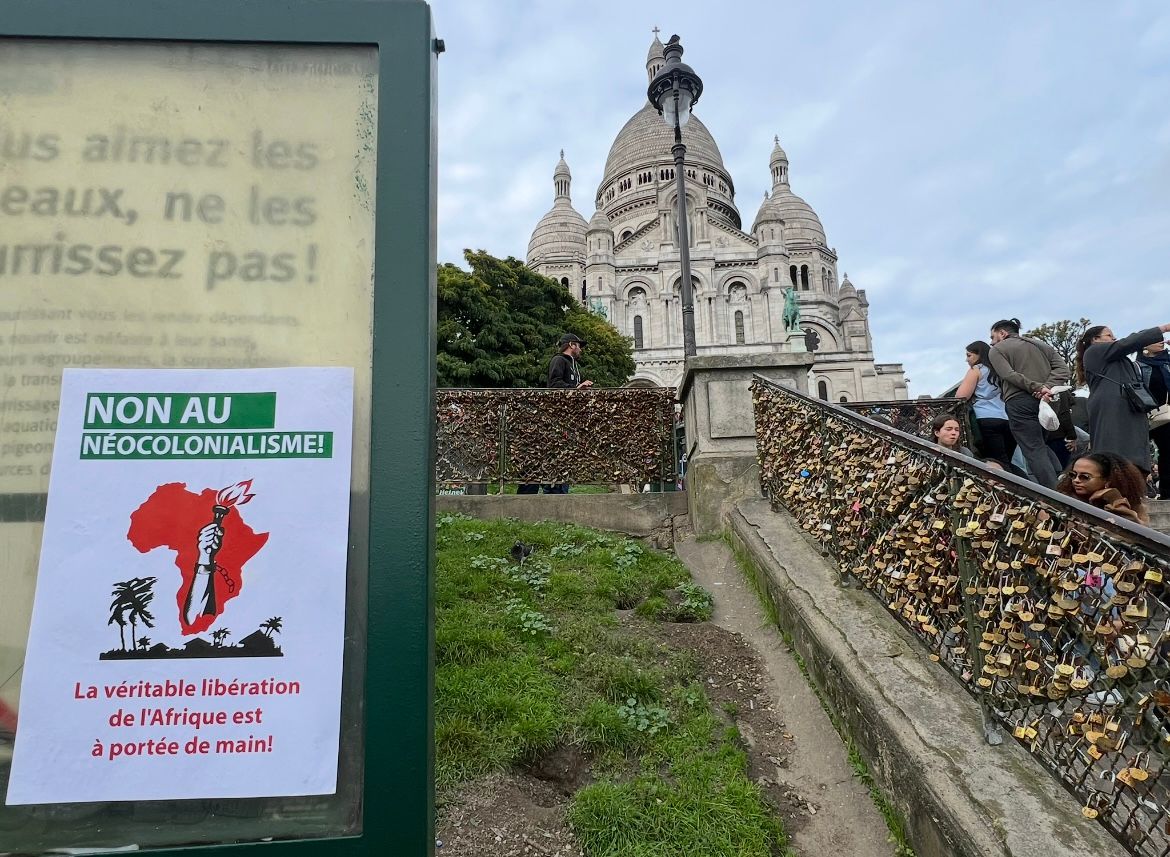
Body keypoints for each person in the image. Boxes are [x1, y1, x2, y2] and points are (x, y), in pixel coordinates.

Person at [1075, 322, 1170, 475]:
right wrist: (1163, 328)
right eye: (1109, 335)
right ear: (1095, 339)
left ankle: (1133, 481)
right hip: (1113, 409)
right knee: (1115, 449)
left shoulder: (1118, 359)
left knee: (1131, 449)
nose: (1114, 339)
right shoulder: (1094, 351)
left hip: (1127, 407)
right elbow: (1128, 343)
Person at [987, 318, 1070, 489]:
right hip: (1049, 401)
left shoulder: (997, 350)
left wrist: (1037, 387)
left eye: (993, 337)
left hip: (1019, 401)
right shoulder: (1041, 345)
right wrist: (1046, 387)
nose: (991, 342)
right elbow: (1064, 370)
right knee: (1041, 445)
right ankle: (1061, 482)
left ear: (1002, 333)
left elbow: (1008, 374)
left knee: (1034, 449)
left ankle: (1056, 495)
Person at [518, 333, 594, 494]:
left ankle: (557, 491)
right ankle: (551, 491)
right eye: (579, 345)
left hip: (567, 419)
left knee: (562, 458)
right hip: (556, 419)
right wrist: (575, 389)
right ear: (571, 345)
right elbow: (554, 384)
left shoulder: (574, 365)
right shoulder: (559, 360)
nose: (580, 349)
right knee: (552, 456)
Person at [955, 340, 1015, 469]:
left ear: (979, 355)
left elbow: (961, 396)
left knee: (997, 463)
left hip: (986, 417)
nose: (967, 360)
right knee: (1007, 460)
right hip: (1007, 418)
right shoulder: (1001, 370)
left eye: (969, 355)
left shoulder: (977, 369)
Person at [1055, 452, 1150, 526]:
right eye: (1073, 475)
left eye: (1085, 477)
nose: (1076, 480)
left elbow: (1135, 536)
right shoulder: (1062, 501)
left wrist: (1116, 500)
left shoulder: (1134, 504)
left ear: (1107, 480)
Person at [1138, 336, 1170, 499]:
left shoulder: (1167, 362)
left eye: (1161, 339)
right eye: (1155, 339)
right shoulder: (1137, 366)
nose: (1160, 341)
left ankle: (1166, 493)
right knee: (1139, 453)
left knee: (1167, 452)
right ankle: (1138, 492)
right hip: (1143, 415)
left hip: (1166, 415)